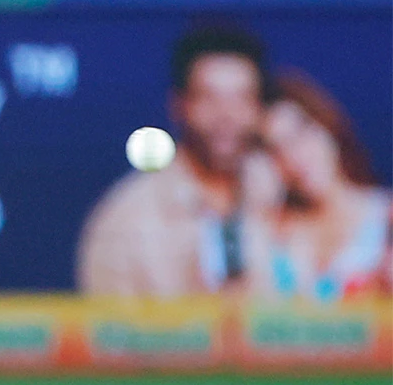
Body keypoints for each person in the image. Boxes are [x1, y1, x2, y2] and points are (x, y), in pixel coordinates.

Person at [77, 25, 271, 298]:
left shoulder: (288, 194)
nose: (227, 115)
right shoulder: (127, 219)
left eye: (242, 98)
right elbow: (106, 323)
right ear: (179, 105)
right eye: (209, 98)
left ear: (260, 108)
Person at [249, 71, 391, 302]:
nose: (293, 155)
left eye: (300, 133)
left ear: (326, 126)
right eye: (276, 149)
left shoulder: (384, 216)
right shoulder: (270, 233)